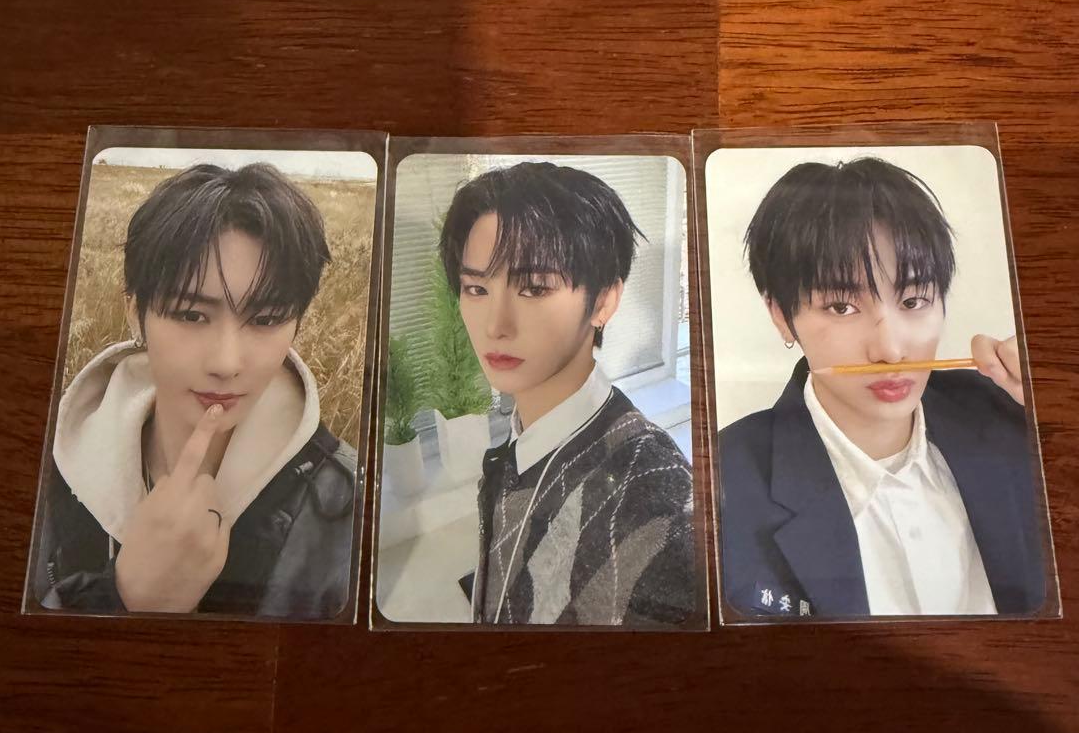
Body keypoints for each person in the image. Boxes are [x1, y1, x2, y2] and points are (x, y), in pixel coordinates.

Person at [719, 156, 1047, 620]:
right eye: (841, 307)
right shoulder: (720, 479)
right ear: (780, 315)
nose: (891, 350)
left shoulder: (1010, 411)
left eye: (914, 300)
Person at [32, 161, 357, 619]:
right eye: (190, 315)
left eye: (265, 320)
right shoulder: (48, 464)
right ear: (135, 314)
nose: (226, 363)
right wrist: (125, 597)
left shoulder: (349, 507)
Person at [438, 161, 697, 627]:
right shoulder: (519, 446)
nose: (495, 325)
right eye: (476, 288)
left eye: (534, 289)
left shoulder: (658, 507)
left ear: (604, 301)